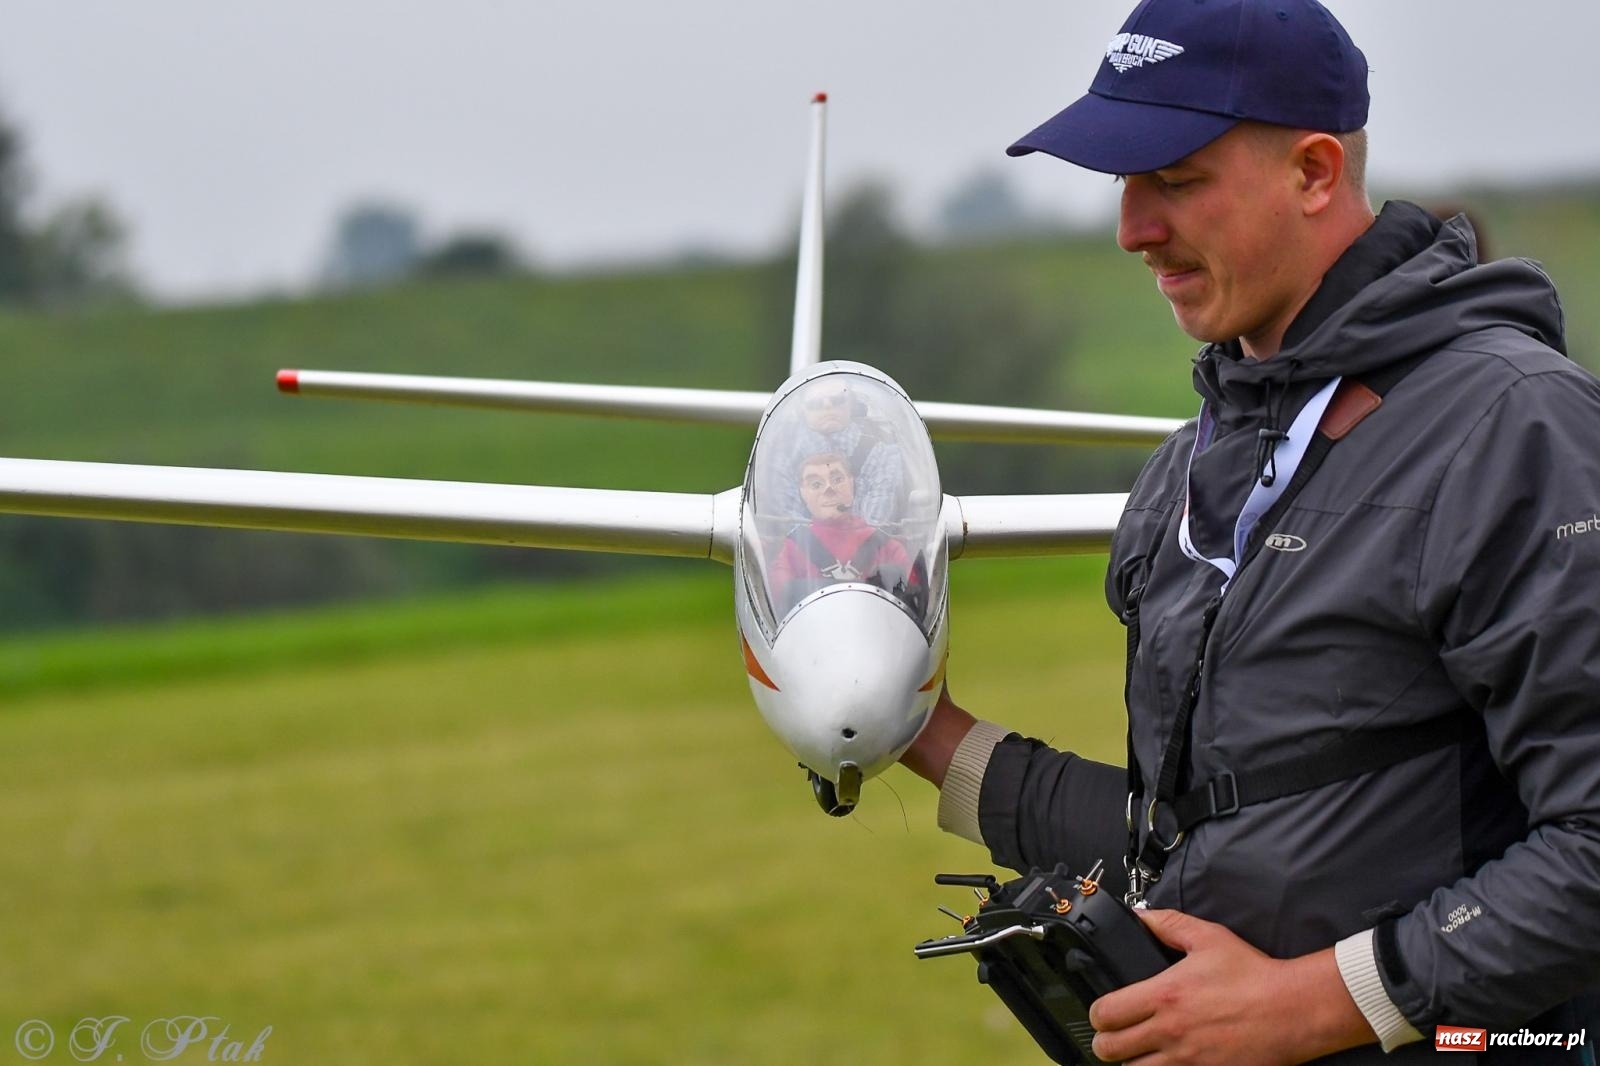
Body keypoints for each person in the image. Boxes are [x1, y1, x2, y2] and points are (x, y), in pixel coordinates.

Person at [899, 1, 1600, 1062]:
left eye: (1173, 181)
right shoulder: (1189, 467)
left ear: (1314, 173)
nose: (1132, 228)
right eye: (1123, 186)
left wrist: (1318, 1002)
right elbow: (1198, 835)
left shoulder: (1511, 423)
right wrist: (906, 724)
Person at [767, 452, 918, 617]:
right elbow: (779, 599)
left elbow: (914, 598)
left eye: (837, 480)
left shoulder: (886, 547)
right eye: (816, 484)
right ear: (803, 494)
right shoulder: (791, 549)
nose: (828, 490)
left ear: (852, 484)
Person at [772, 380, 904, 527]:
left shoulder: (881, 452)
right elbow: (785, 520)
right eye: (815, 404)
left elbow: (876, 522)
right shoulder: (784, 454)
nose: (827, 406)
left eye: (837, 400)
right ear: (802, 411)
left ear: (852, 405)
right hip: (799, 548)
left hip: (866, 546)